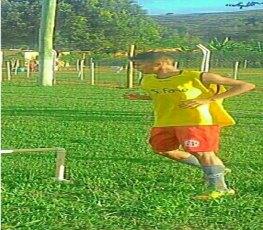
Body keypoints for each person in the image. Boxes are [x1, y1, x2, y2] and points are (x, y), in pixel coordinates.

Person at [124, 52, 255, 199]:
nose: (136, 68)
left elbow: (246, 85)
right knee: (164, 150)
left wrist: (209, 100)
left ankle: (220, 188)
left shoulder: (197, 77)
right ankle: (214, 169)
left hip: (197, 121)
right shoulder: (148, 81)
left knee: (203, 153)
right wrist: (142, 97)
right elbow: (167, 94)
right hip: (165, 121)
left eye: (138, 64)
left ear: (159, 63)